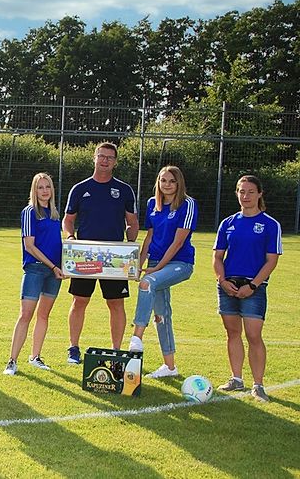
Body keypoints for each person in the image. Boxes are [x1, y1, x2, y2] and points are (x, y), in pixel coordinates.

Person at [63, 142, 139, 363]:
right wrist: (70, 238)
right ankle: (73, 348)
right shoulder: (79, 188)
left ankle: (116, 350)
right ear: (94, 158)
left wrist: (130, 245)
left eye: (110, 157)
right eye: (101, 156)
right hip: (85, 255)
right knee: (79, 301)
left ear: (115, 162)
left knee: (116, 303)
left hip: (115, 258)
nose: (105, 160)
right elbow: (68, 220)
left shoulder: (124, 190)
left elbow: (132, 221)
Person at [213, 175, 281, 402]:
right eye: (242, 191)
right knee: (232, 333)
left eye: (251, 191)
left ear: (259, 194)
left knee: (253, 334)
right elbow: (217, 256)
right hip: (228, 285)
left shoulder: (271, 224)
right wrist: (223, 281)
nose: (246, 196)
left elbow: (271, 260)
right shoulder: (228, 223)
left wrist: (253, 285)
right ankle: (236, 379)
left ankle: (258, 385)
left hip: (254, 287)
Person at [128, 166, 197, 378]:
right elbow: (149, 238)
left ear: (179, 184)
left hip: (179, 263)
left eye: (172, 181)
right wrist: (138, 264)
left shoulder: (188, 204)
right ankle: (170, 367)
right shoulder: (152, 204)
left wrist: (156, 268)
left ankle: (136, 337)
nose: (167, 185)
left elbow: (178, 242)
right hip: (156, 262)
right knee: (162, 315)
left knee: (148, 283)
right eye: (163, 180)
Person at [4, 173, 64, 375]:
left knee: (44, 315)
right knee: (25, 315)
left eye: (48, 186)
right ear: (34, 190)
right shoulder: (29, 212)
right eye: (40, 187)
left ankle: (35, 357)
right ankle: (12, 361)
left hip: (54, 272)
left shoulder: (55, 213)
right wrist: (52, 266)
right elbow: (29, 246)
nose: (45, 190)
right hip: (36, 269)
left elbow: (58, 244)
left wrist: (66, 265)